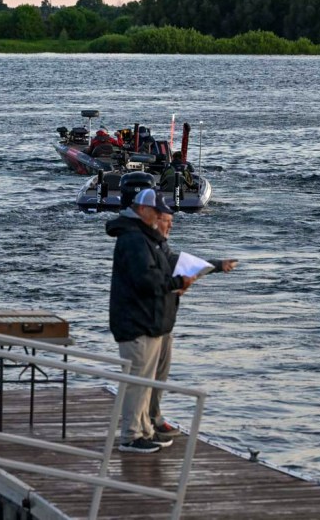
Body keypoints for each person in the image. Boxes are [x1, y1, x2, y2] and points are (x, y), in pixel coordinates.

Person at [105, 188, 195, 454]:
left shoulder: (145, 237)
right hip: (135, 323)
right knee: (137, 382)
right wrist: (177, 282)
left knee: (145, 382)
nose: (159, 217)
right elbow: (145, 280)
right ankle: (131, 436)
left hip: (145, 321)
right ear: (142, 210)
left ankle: (144, 430)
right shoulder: (134, 239)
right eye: (157, 212)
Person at [148, 208, 238, 439]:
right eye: (167, 221)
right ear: (154, 219)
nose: (171, 225)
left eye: (172, 221)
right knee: (146, 377)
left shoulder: (160, 245)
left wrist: (217, 265)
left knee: (159, 376)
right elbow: (153, 280)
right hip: (148, 323)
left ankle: (153, 419)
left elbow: (180, 263)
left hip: (163, 322)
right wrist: (181, 282)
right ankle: (142, 427)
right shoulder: (146, 246)